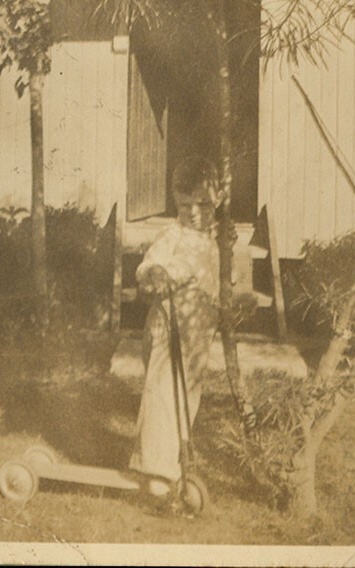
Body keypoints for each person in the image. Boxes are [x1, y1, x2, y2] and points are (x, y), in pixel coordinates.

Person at [129, 155, 222, 498]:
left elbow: (213, 282)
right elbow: (150, 264)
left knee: (187, 395)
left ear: (217, 201)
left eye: (203, 203)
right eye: (186, 204)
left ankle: (174, 462)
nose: (194, 212)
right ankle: (155, 470)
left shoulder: (213, 242)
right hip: (170, 323)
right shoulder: (173, 234)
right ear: (175, 201)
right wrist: (156, 274)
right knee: (162, 393)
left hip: (197, 334)